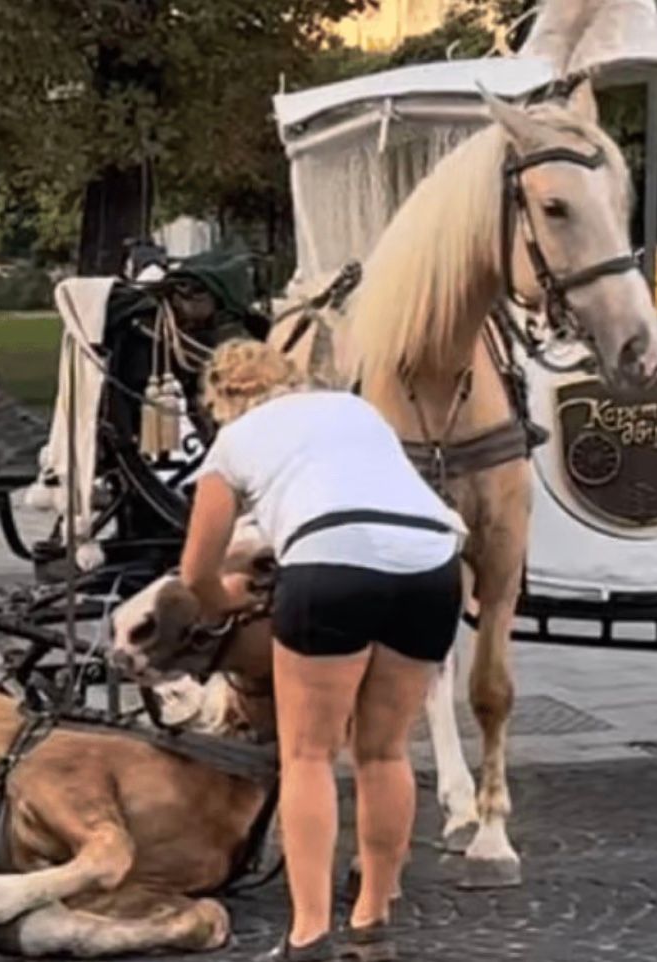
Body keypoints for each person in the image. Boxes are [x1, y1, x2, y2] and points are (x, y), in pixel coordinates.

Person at [179, 339, 467, 962]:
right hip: (431, 558)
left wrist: (225, 601)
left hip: (329, 559)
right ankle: (373, 915)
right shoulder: (354, 410)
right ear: (289, 378)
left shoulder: (233, 443)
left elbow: (196, 571)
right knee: (385, 751)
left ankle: (308, 931)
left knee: (309, 754)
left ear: (222, 399)